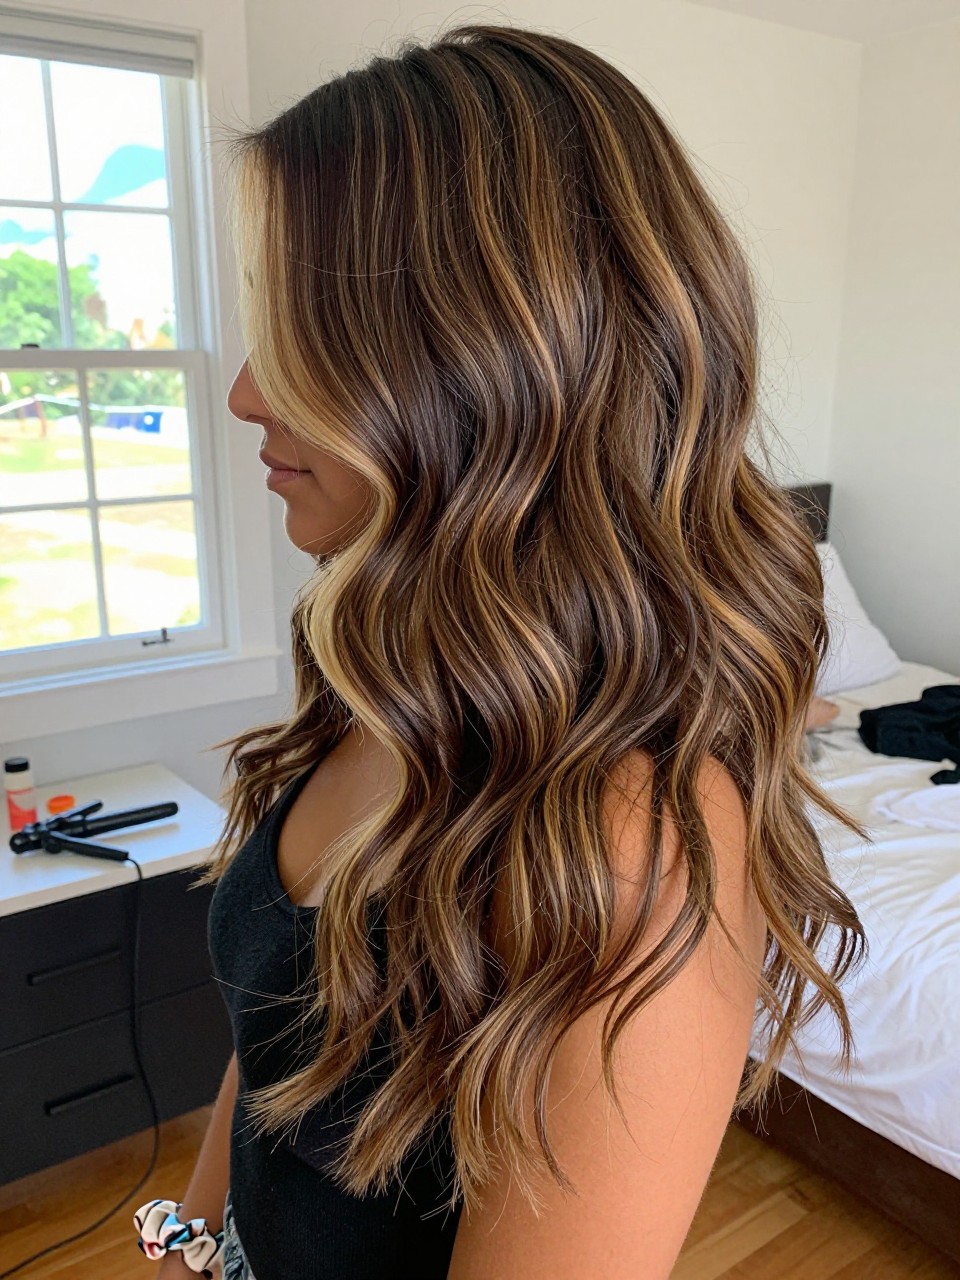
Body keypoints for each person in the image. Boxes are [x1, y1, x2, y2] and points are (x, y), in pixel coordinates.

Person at [153, 22, 869, 1280]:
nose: (246, 392)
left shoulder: (634, 843)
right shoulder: (383, 669)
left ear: (480, 367)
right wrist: (183, 1241)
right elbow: (272, 1037)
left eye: (306, 334)